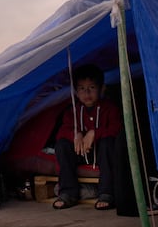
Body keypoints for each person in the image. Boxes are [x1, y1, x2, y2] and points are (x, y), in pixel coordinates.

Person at [52, 64, 122, 210]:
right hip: (82, 153)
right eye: (82, 89)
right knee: (62, 145)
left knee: (108, 143)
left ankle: (106, 192)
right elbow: (62, 132)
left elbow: (117, 129)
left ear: (102, 89)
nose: (87, 93)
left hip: (102, 155)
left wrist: (94, 132)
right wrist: (75, 134)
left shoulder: (110, 108)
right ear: (76, 92)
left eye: (91, 87)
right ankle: (68, 193)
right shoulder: (73, 111)